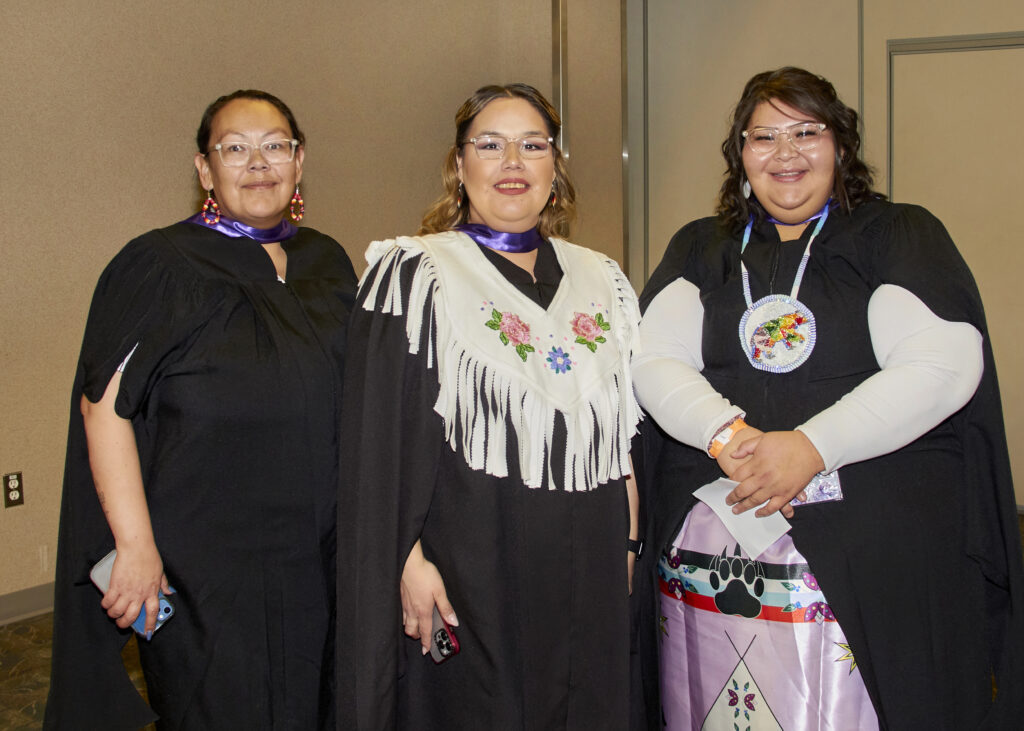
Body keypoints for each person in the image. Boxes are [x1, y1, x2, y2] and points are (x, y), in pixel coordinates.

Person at [632, 67, 1024, 729]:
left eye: (806, 132)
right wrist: (727, 436)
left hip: (875, 564)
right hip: (713, 560)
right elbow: (653, 358)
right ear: (740, 154)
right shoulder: (702, 247)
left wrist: (812, 447)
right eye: (764, 137)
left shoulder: (896, 235)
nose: (785, 153)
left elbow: (943, 363)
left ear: (840, 144)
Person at [45, 90, 357, 730]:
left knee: (320, 700)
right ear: (205, 170)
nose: (258, 163)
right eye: (234, 149)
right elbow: (104, 409)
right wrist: (135, 546)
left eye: (274, 146)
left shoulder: (326, 262)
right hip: (207, 562)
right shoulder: (161, 264)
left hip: (319, 552)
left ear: (299, 161)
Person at [337, 83, 642, 729]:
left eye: (532, 145)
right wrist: (405, 562)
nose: (512, 163)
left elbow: (621, 437)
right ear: (459, 164)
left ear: (555, 167)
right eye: (490, 145)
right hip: (471, 567)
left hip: (589, 560)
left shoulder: (603, 279)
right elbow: (376, 445)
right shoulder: (417, 274)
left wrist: (629, 542)